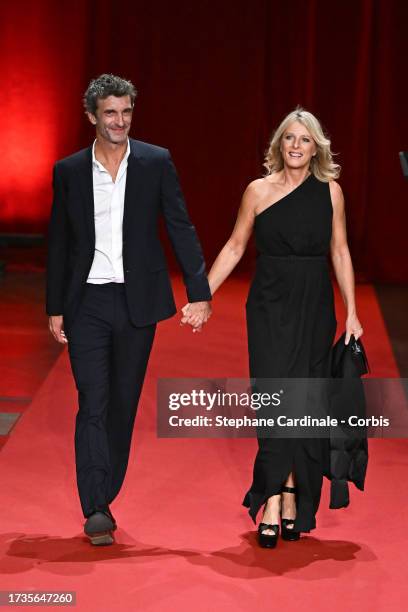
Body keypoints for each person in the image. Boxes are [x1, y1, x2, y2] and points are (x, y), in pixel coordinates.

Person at [182, 107, 363, 548]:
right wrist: (202, 295)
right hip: (269, 307)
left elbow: (339, 252)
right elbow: (235, 245)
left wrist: (353, 311)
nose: (296, 146)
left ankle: (288, 496)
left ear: (315, 145)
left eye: (304, 139)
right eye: (289, 139)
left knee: (305, 402)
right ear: (279, 145)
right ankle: (274, 499)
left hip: (315, 306)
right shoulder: (258, 191)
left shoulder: (330, 192)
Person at [46, 73, 212, 545]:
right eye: (110, 114)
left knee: (121, 404)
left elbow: (180, 225)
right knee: (92, 402)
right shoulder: (70, 171)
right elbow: (60, 241)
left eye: (126, 112)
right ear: (92, 117)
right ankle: (95, 505)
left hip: (138, 301)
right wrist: (55, 306)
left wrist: (199, 290)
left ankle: (105, 488)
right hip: (89, 302)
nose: (119, 121)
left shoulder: (156, 162)